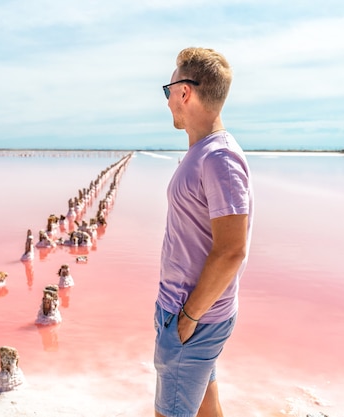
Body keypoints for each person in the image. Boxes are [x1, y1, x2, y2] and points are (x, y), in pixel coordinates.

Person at [153, 47, 254, 417]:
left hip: (193, 317)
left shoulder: (219, 158)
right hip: (188, 312)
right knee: (206, 406)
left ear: (184, 91)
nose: (167, 103)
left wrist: (189, 317)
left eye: (168, 92)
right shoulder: (203, 154)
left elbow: (232, 250)